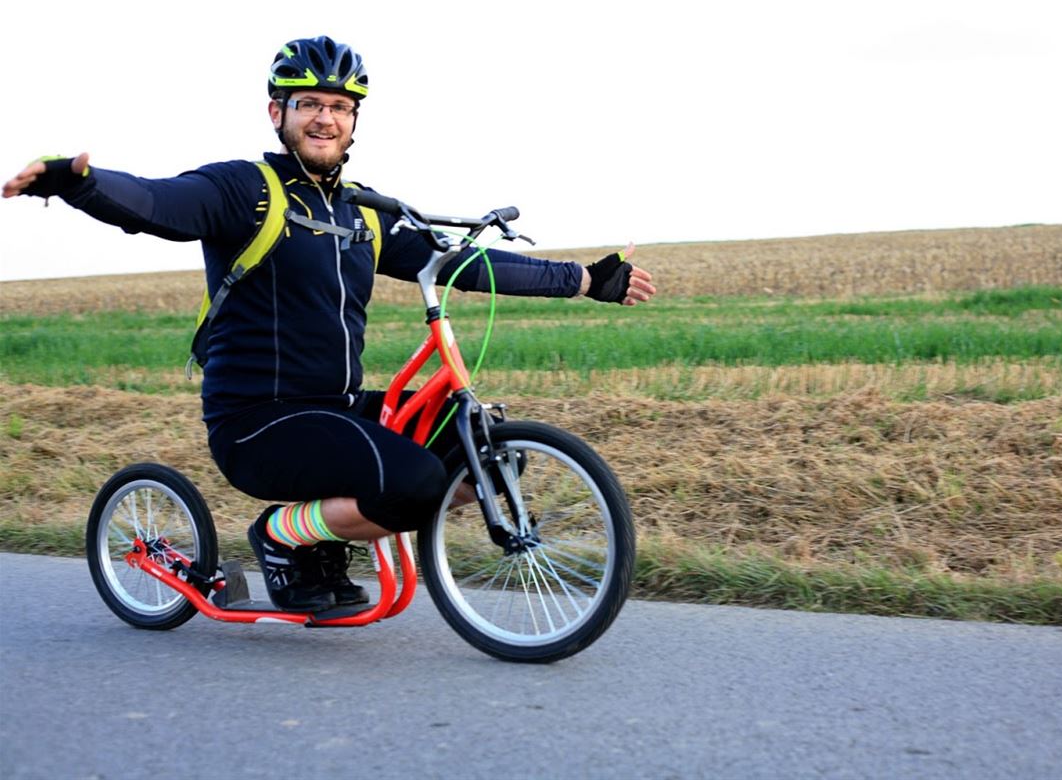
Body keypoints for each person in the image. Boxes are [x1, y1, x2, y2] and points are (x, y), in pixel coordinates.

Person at [3, 35, 656, 613]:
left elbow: (464, 265)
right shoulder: (244, 190)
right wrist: (78, 185)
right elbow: (157, 203)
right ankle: (280, 538)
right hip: (259, 422)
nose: (325, 117)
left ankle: (315, 539)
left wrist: (588, 280)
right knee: (417, 483)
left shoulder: (362, 213)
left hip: (335, 408)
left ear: (353, 120)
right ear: (277, 112)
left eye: (339, 106)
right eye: (309, 102)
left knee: (484, 455)